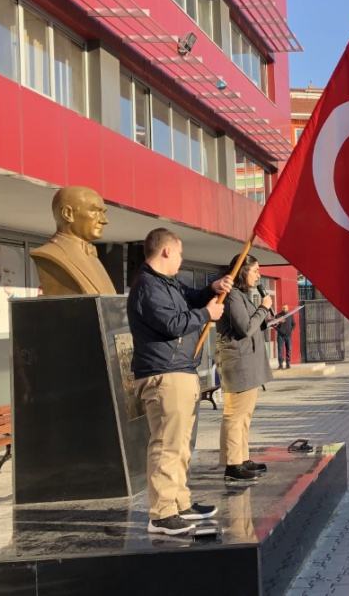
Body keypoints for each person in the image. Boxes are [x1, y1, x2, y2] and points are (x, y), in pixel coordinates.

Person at [128, 228, 230, 536]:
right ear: (166, 251)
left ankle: (179, 503)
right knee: (166, 444)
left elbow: (190, 296)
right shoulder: (148, 286)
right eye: (181, 253)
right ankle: (161, 513)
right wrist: (207, 314)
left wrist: (212, 288)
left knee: (182, 444)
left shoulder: (166, 283)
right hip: (163, 373)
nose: (182, 259)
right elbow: (172, 324)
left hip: (180, 369)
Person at [215, 255, 273, 483]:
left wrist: (265, 315)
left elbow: (252, 321)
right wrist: (262, 308)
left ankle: (243, 457)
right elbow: (244, 328)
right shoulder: (231, 297)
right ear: (243, 272)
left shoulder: (242, 296)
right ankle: (232, 464)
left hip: (249, 364)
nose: (259, 275)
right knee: (235, 415)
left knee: (245, 415)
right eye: (255, 271)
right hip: (238, 364)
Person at [275, 304, 295, 370]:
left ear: (288, 308)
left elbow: (293, 324)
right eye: (283, 308)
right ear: (281, 308)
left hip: (288, 336)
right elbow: (274, 325)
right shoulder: (278, 316)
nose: (284, 309)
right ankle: (280, 364)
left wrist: (291, 330)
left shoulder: (290, 315)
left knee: (288, 349)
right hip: (280, 336)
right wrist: (279, 329)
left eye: (285, 308)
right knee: (280, 350)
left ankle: (288, 364)